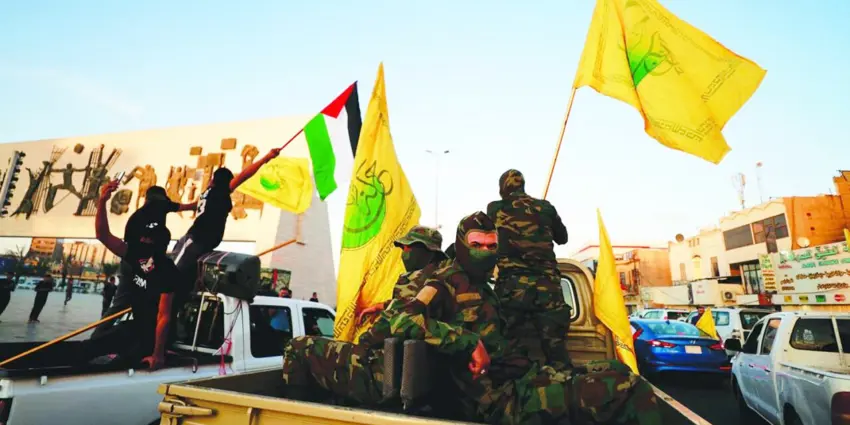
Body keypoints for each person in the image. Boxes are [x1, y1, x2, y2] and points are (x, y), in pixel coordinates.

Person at [388, 212, 661, 425]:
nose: (484, 251)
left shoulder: (482, 285)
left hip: (523, 378)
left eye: (491, 246)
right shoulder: (445, 281)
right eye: (476, 245)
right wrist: (467, 341)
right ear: (461, 245)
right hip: (497, 400)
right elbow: (402, 319)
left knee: (617, 369)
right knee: (630, 389)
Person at [281, 226, 449, 405]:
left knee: (296, 347)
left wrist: (364, 339)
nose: (403, 252)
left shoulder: (416, 280)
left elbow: (384, 329)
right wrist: (382, 306)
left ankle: (295, 412)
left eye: (408, 248)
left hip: (385, 375)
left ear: (425, 250)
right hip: (420, 377)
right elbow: (416, 305)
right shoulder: (445, 278)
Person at [77, 179, 180, 370]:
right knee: (89, 347)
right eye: (141, 239)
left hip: (154, 336)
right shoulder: (135, 255)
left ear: (157, 244)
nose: (142, 242)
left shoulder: (167, 270)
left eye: (146, 240)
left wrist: (157, 355)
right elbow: (103, 235)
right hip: (136, 326)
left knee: (121, 362)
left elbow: (163, 317)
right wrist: (102, 201)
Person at [486, 169, 571, 369]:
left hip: (512, 288)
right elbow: (563, 238)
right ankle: (562, 383)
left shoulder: (495, 208)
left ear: (502, 189)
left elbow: (487, 238)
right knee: (557, 352)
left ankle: (516, 383)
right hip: (547, 287)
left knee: (506, 350)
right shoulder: (545, 207)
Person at [171, 148, 281, 296]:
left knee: (188, 273)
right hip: (197, 238)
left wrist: (177, 207)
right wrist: (266, 158)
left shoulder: (207, 193)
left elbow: (195, 205)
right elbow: (244, 175)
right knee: (175, 271)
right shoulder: (219, 191)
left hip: (202, 240)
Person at [95, 186, 192, 337]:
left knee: (121, 305)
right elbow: (104, 236)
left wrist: (102, 201)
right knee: (158, 303)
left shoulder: (142, 215)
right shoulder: (147, 214)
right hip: (138, 262)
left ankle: (98, 336)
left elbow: (104, 236)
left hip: (138, 262)